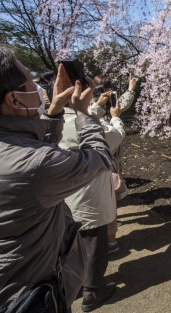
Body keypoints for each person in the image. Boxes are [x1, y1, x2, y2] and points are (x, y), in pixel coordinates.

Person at [0, 45, 112, 312]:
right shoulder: (36, 166)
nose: (38, 87)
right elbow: (99, 158)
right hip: (31, 297)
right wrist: (85, 113)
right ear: (14, 99)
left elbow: (26, 153)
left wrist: (54, 111)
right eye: (31, 82)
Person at [60, 91, 126, 311]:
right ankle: (93, 293)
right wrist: (115, 116)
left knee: (69, 246)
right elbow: (115, 137)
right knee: (93, 246)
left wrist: (96, 107)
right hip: (89, 197)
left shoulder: (52, 121)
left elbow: (86, 117)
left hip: (65, 197)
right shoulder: (84, 125)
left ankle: (75, 284)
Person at [90, 74, 138, 253]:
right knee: (107, 201)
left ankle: (105, 238)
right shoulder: (96, 115)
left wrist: (130, 90)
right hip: (104, 162)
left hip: (93, 164)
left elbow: (119, 105)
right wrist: (131, 90)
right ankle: (109, 241)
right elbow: (115, 134)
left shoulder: (85, 107)